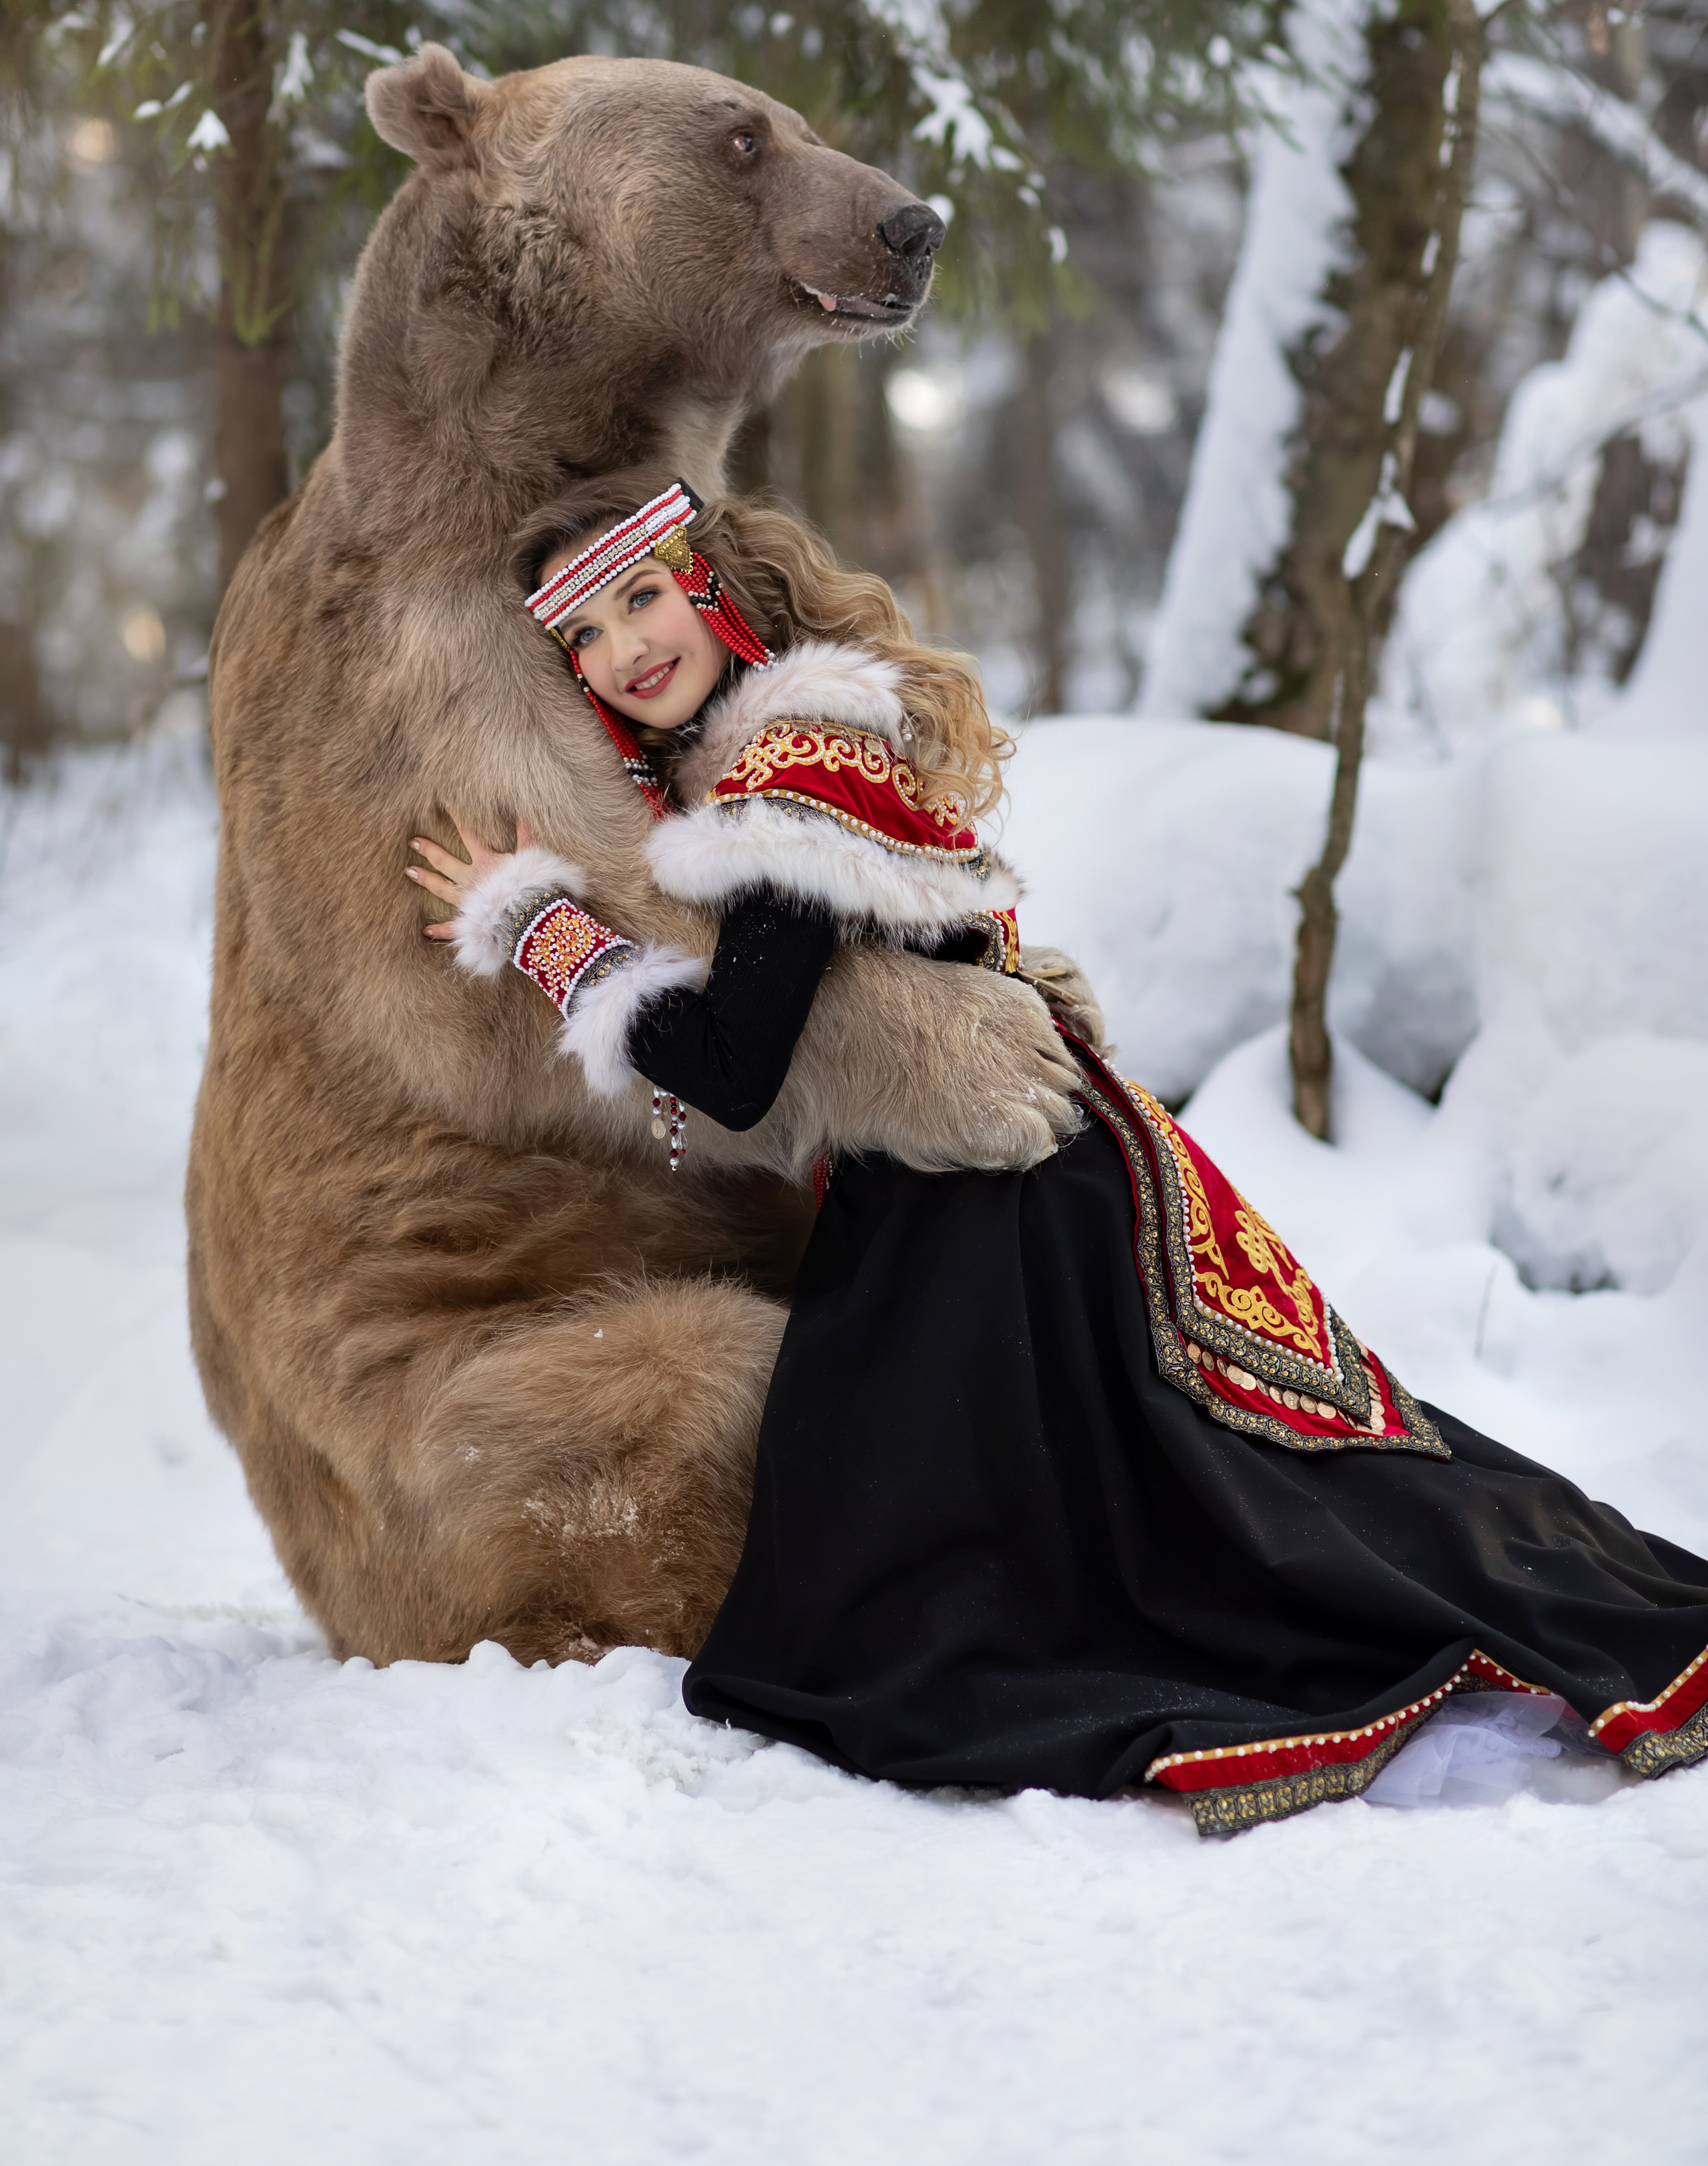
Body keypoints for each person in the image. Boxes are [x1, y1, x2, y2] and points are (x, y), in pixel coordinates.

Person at [406, 476, 1708, 1836]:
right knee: (1162, 1514)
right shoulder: (780, 757)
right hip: (1000, 1176)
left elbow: (735, 1064)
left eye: (639, 598)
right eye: (586, 639)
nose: (624, 648)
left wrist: (543, 931)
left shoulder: (783, 779)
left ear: (708, 589)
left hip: (994, 1210)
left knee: (1058, 1577)